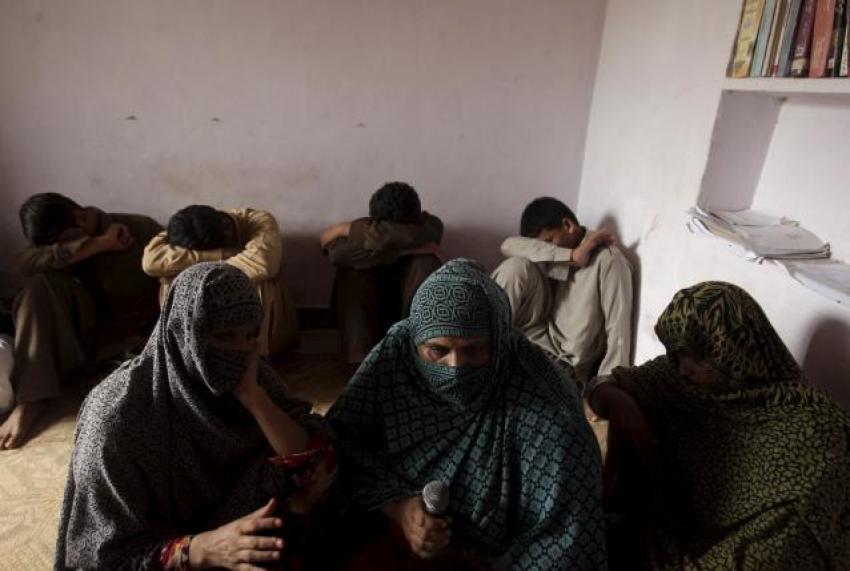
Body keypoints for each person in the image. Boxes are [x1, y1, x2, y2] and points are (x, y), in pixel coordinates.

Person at [327, 259, 606, 570]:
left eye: (473, 351)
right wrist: (398, 507)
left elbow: (565, 540)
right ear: (415, 342)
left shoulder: (550, 418)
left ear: (500, 342)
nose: (455, 368)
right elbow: (340, 442)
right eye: (438, 351)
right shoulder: (396, 355)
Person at [55, 263, 336, 570]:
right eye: (224, 337)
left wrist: (254, 399)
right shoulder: (116, 417)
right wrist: (200, 549)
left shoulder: (251, 373)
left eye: (251, 336)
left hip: (244, 532)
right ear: (183, 333)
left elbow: (307, 451)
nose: (240, 351)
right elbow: (100, 555)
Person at [586, 281, 850, 569]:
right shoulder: (678, 381)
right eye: (674, 354)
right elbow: (604, 386)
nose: (681, 368)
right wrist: (624, 409)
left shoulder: (811, 425)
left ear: (732, 352)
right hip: (668, 531)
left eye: (693, 356)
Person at [0, 193, 161, 450]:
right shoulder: (76, 243)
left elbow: (172, 278)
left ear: (80, 218)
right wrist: (100, 244)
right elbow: (26, 262)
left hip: (133, 340)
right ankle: (31, 400)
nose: (63, 250)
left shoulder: (141, 229)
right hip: (83, 340)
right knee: (38, 286)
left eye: (65, 242)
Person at [492, 196, 633, 386]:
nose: (546, 250)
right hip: (535, 338)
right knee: (516, 266)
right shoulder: (562, 252)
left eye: (549, 241)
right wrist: (572, 256)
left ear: (567, 225)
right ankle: (481, 344)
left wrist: (607, 386)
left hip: (564, 362)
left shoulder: (609, 261)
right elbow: (509, 245)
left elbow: (618, 330)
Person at [142, 205, 298, 356]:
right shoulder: (183, 226)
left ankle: (252, 351)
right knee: (170, 277)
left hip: (261, 315)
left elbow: (263, 264)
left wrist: (197, 268)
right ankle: (190, 350)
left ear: (228, 230)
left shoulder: (260, 220)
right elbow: (151, 263)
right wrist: (228, 254)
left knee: (255, 277)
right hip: (208, 307)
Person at [320, 182, 443, 365]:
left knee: (426, 263)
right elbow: (338, 255)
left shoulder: (430, 225)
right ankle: (361, 363)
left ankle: (418, 349)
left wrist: (346, 229)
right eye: (385, 228)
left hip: (407, 309)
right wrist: (403, 250)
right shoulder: (416, 237)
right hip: (368, 310)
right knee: (352, 274)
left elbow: (425, 231)